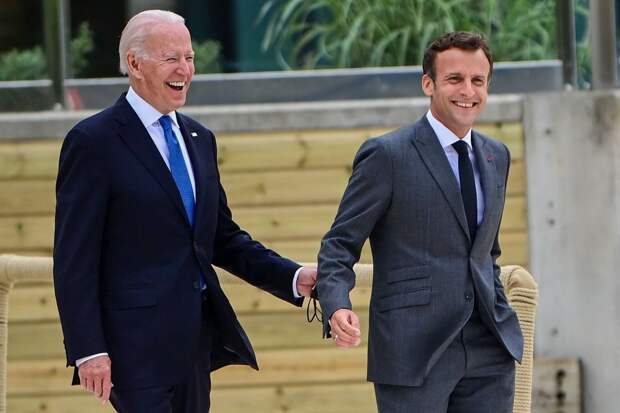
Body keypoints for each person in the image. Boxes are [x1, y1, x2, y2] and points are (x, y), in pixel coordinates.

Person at [53, 9, 316, 413]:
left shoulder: (198, 137)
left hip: (194, 342)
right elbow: (75, 258)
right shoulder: (93, 141)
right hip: (133, 348)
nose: (185, 70)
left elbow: (221, 238)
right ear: (135, 64)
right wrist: (88, 349)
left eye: (190, 58)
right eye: (171, 58)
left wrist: (293, 277)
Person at [316, 32, 524, 413]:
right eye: (454, 79)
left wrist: (498, 307)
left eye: (478, 80)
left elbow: (486, 251)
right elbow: (339, 244)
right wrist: (336, 305)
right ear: (428, 84)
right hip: (413, 350)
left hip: (489, 349)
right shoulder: (387, 155)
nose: (468, 90)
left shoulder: (497, 156)